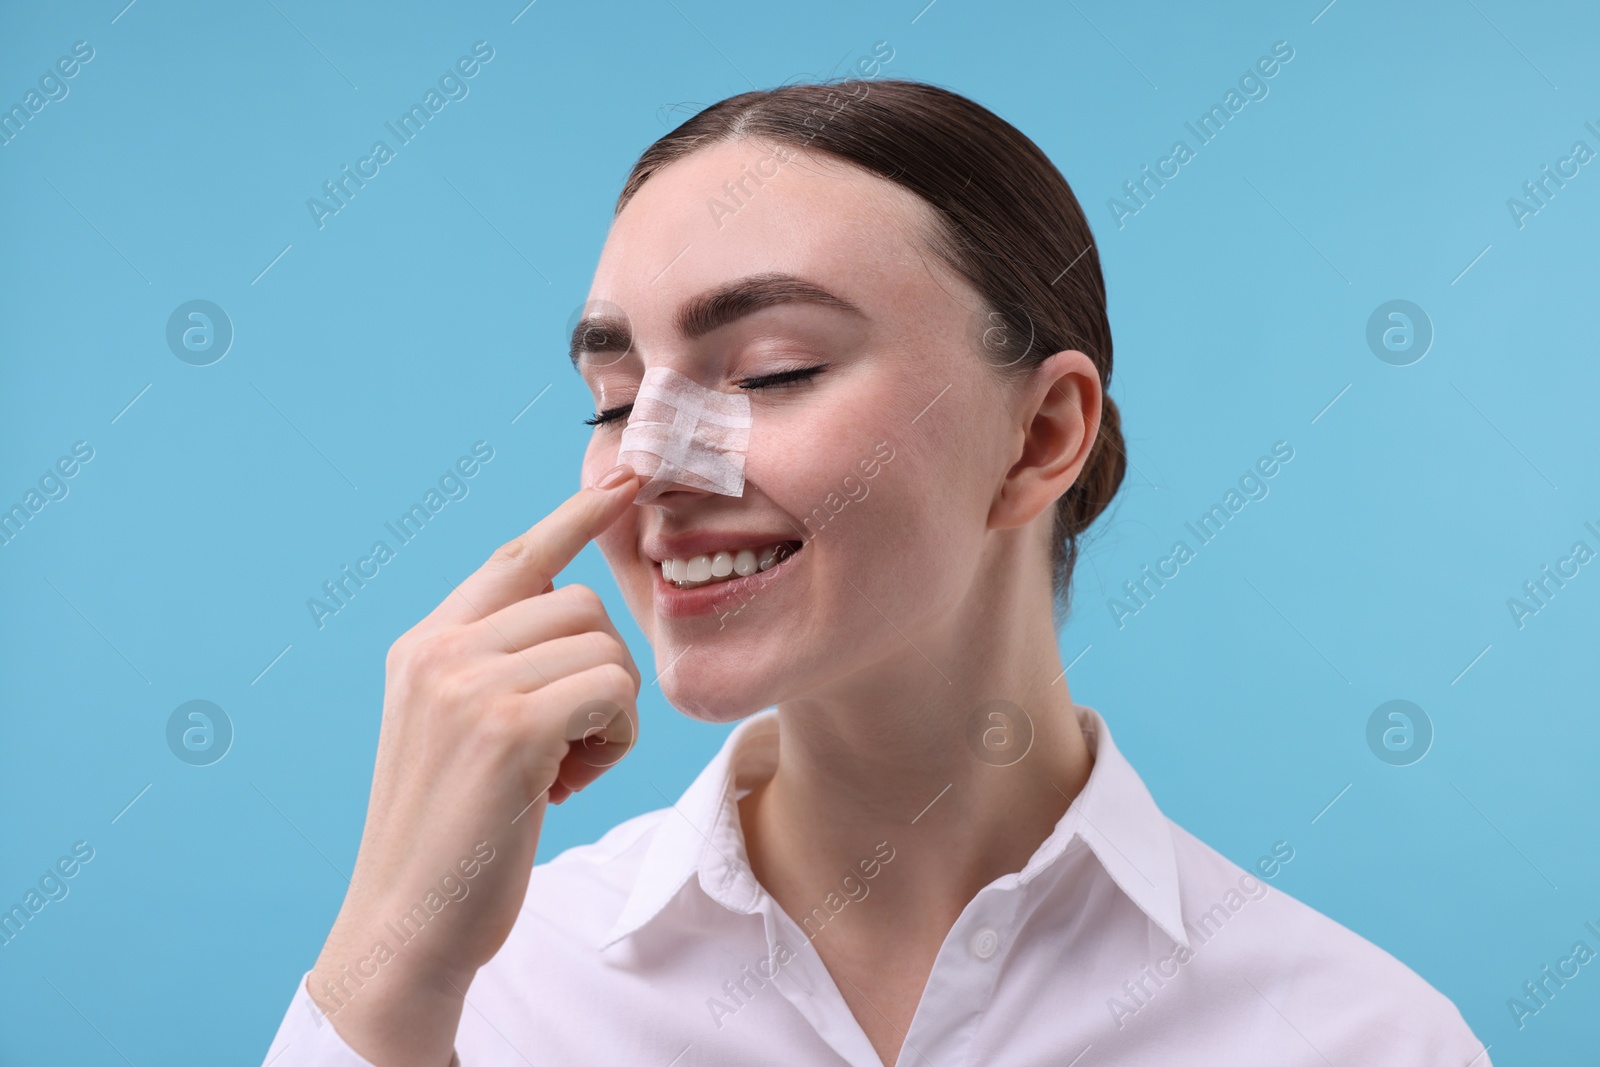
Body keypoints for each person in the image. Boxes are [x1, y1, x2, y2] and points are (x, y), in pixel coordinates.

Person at [263, 77, 1489, 1066]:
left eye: (772, 368)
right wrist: (386, 964)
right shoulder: (485, 993)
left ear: (1040, 435)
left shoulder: (1359, 1036)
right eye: (617, 395)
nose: (653, 467)